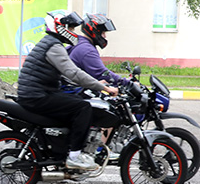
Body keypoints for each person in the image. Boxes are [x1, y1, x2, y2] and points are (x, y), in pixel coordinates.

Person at [16, 11, 122, 171]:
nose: (73, 32)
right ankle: (74, 156)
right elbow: (74, 73)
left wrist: (93, 84)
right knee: (83, 108)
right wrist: (104, 87)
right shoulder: (54, 47)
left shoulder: (52, 43)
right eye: (71, 28)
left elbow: (67, 75)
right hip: (37, 95)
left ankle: (61, 153)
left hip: (39, 92)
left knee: (75, 104)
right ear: (60, 28)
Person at [67, 13, 131, 90]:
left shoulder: (79, 42)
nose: (105, 36)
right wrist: (128, 83)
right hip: (73, 91)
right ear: (94, 31)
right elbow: (102, 73)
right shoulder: (87, 50)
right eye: (103, 33)